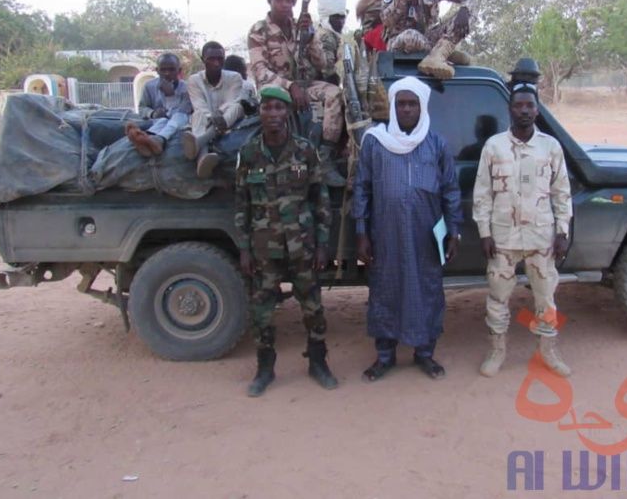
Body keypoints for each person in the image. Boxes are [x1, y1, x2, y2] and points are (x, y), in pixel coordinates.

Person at [353, 76, 463, 381]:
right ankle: (385, 356)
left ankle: (424, 355)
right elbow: (361, 188)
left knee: (426, 291)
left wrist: (454, 231)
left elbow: (450, 190)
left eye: (412, 104)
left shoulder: (437, 144)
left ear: (422, 106)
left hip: (425, 235)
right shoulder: (375, 142)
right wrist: (361, 231)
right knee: (385, 291)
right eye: (400, 104)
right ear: (392, 106)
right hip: (384, 235)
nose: (406, 109)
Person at [235, 85, 338, 397]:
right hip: (264, 248)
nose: (273, 114)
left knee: (312, 306)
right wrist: (243, 247)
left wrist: (322, 244)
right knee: (262, 309)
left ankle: (318, 362)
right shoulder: (249, 153)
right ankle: (265, 368)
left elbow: (320, 199)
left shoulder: (305, 150)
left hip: (302, 244)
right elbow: (241, 203)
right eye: (267, 108)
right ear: (261, 113)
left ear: (288, 113)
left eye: (279, 109)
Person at [472, 82, 573, 378]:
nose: (525, 111)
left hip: (541, 238)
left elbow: (561, 192)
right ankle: (497, 351)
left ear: (537, 110)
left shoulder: (550, 147)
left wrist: (563, 231)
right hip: (503, 238)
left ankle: (548, 351)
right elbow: (483, 192)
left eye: (530, 105)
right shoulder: (494, 146)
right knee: (497, 298)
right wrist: (484, 232)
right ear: (510, 109)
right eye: (519, 105)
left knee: (545, 299)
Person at [247, 0, 346, 186]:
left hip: (305, 84)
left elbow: (323, 65)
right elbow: (260, 72)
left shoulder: (300, 26)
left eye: (289, 0)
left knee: (335, 94)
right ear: (270, 0)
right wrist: (289, 86)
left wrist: (310, 37)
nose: (285, 5)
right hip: (275, 88)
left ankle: (325, 157)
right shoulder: (258, 31)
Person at [183, 41, 252, 178]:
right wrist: (211, 116)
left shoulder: (235, 78)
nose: (216, 63)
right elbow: (199, 105)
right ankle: (202, 157)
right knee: (197, 114)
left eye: (220, 59)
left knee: (238, 107)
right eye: (211, 59)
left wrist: (219, 113)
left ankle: (200, 142)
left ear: (224, 60)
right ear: (203, 60)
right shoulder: (194, 80)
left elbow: (231, 101)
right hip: (206, 119)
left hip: (228, 119)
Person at [126, 52, 192, 157]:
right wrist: (153, 113)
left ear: (179, 71)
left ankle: (157, 139)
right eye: (163, 70)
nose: (167, 73)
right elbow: (142, 107)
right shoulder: (149, 86)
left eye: (171, 69)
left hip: (180, 122)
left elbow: (184, 111)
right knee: (162, 120)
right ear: (157, 70)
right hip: (157, 122)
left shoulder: (187, 88)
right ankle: (147, 139)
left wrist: (170, 95)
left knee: (179, 117)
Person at [317, 0, 348, 85]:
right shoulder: (327, 37)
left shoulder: (329, 34)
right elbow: (327, 71)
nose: (341, 22)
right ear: (327, 19)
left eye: (342, 17)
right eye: (336, 18)